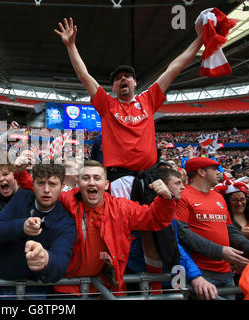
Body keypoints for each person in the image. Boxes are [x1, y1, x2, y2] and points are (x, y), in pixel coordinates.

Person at [55, 16, 204, 285]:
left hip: (151, 178)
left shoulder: (150, 99)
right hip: (120, 180)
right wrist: (70, 46)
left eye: (127, 76)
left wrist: (200, 40)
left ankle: (168, 286)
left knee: (163, 232)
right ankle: (125, 284)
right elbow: (84, 75)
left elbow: (174, 67)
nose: (122, 80)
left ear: (136, 83)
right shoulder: (106, 104)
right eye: (117, 79)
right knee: (126, 237)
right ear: (112, 87)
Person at [13, 159, 176, 296]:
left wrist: (165, 199)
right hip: (69, 289)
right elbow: (41, 191)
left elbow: (155, 219)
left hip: (108, 289)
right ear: (78, 183)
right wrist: (21, 173)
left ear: (106, 184)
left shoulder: (122, 208)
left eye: (96, 178)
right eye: (86, 178)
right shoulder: (68, 200)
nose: (91, 182)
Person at [0, 164, 76, 299]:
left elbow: (61, 262)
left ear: (62, 186)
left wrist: (45, 259)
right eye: (41, 183)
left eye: (52, 184)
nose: (46, 190)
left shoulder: (66, 223)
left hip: (35, 291)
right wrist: (21, 226)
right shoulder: (22, 197)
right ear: (33, 183)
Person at [174, 157, 249, 299]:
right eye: (214, 169)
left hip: (226, 272)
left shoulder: (218, 197)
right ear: (201, 172)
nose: (219, 172)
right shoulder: (183, 196)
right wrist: (219, 251)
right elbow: (182, 233)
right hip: (201, 273)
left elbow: (230, 230)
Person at [158, 168, 218, 300]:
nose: (182, 187)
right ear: (163, 185)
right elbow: (174, 247)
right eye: (177, 183)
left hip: (173, 277)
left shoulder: (169, 211)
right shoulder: (157, 213)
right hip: (161, 280)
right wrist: (195, 275)